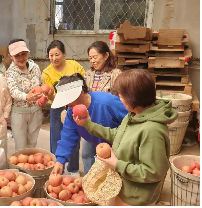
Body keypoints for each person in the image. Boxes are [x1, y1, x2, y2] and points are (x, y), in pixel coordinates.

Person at [74, 69, 178, 206]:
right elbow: (118, 135)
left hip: (135, 198)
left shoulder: (152, 131)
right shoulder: (134, 115)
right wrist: (88, 124)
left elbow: (153, 172)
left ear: (132, 98)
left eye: (121, 96)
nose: (119, 99)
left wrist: (117, 164)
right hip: (122, 188)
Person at [50, 73, 128, 176]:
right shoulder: (72, 111)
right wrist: (60, 161)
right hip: (99, 146)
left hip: (122, 147)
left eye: (69, 100)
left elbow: (133, 119)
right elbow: (68, 137)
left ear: (81, 92)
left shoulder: (107, 103)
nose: (68, 104)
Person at [42, 40, 86, 176]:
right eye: (51, 55)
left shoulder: (74, 66)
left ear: (64, 54)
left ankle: (73, 169)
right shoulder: (47, 72)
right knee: (56, 138)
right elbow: (53, 99)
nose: (54, 58)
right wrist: (49, 96)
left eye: (57, 54)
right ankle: (57, 166)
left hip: (74, 106)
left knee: (73, 136)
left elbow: (84, 84)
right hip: (57, 107)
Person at [5, 39, 44, 151]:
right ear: (11, 56)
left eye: (24, 54)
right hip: (19, 113)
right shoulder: (10, 72)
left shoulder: (35, 67)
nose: (21, 58)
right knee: (20, 146)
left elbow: (41, 84)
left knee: (32, 143)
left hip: (36, 111)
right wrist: (27, 97)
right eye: (17, 55)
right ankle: (21, 168)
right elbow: (13, 91)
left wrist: (43, 96)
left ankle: (30, 167)